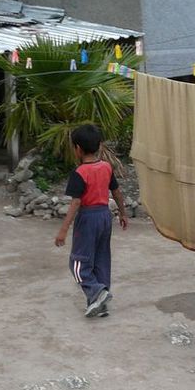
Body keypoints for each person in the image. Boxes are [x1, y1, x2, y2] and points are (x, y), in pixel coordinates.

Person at [54, 124, 129, 317]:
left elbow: (76, 203)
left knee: (78, 263)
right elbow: (117, 192)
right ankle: (98, 304)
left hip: (87, 218)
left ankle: (97, 292)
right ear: (100, 146)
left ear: (77, 148)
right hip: (105, 216)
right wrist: (122, 213)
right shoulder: (106, 167)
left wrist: (63, 229)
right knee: (101, 259)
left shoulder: (79, 173)